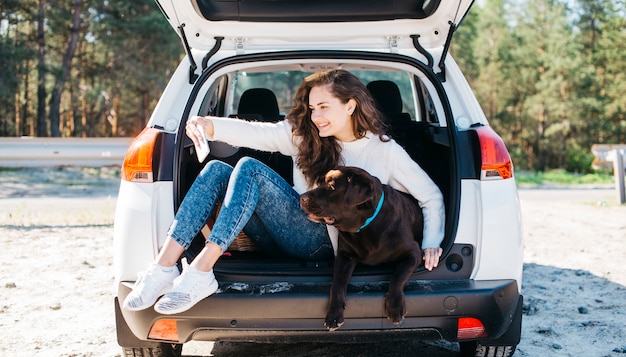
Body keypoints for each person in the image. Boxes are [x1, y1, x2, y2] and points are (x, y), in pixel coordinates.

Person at [122, 69, 445, 315]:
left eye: (323, 107)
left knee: (248, 168)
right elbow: (255, 132)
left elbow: (430, 196)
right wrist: (209, 125)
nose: (316, 116)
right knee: (217, 170)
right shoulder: (305, 135)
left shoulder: (384, 151)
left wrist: (430, 242)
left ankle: (201, 271)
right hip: (286, 231)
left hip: (324, 243)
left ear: (350, 105)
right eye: (311, 108)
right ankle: (164, 269)